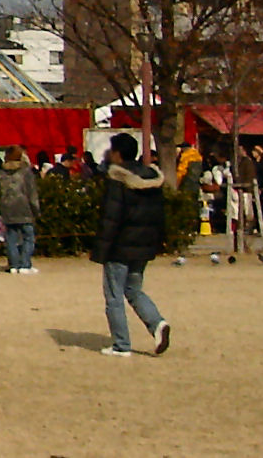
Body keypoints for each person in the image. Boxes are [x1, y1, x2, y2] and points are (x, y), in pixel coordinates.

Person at [93, 133, 170, 357]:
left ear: (117, 153)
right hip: (143, 245)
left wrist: (101, 249)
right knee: (134, 289)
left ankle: (121, 344)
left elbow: (111, 217)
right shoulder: (152, 179)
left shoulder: (117, 180)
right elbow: (159, 215)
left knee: (114, 295)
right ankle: (157, 324)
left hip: (119, 246)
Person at [0, 146, 41, 274]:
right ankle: (25, 264)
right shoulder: (25, 171)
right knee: (28, 237)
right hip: (24, 207)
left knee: (11, 238)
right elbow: (32, 193)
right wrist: (36, 210)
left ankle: (13, 265)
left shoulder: (2, 172)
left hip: (7, 207)